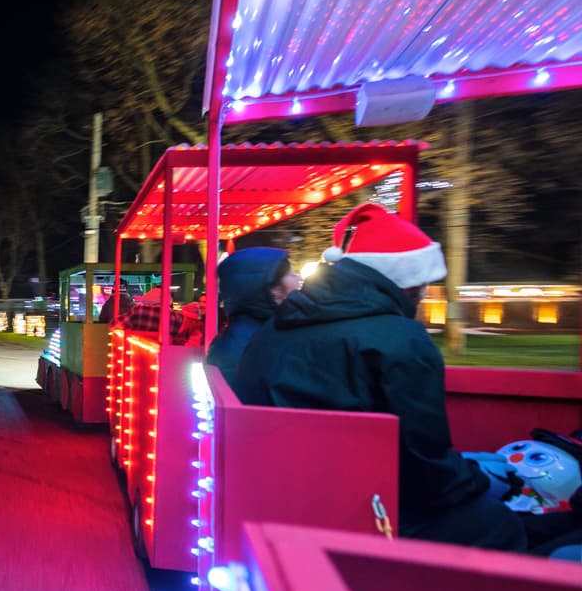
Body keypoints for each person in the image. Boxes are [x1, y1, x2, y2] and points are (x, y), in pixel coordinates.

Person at [235, 203, 580, 553]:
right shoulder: (400, 340)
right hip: (357, 513)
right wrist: (480, 480)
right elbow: (426, 471)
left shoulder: (275, 330)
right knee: (497, 522)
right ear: (412, 282)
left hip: (286, 496)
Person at [205, 247, 301, 389]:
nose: (299, 279)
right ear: (271, 288)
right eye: (292, 274)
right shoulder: (249, 342)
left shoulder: (262, 330)